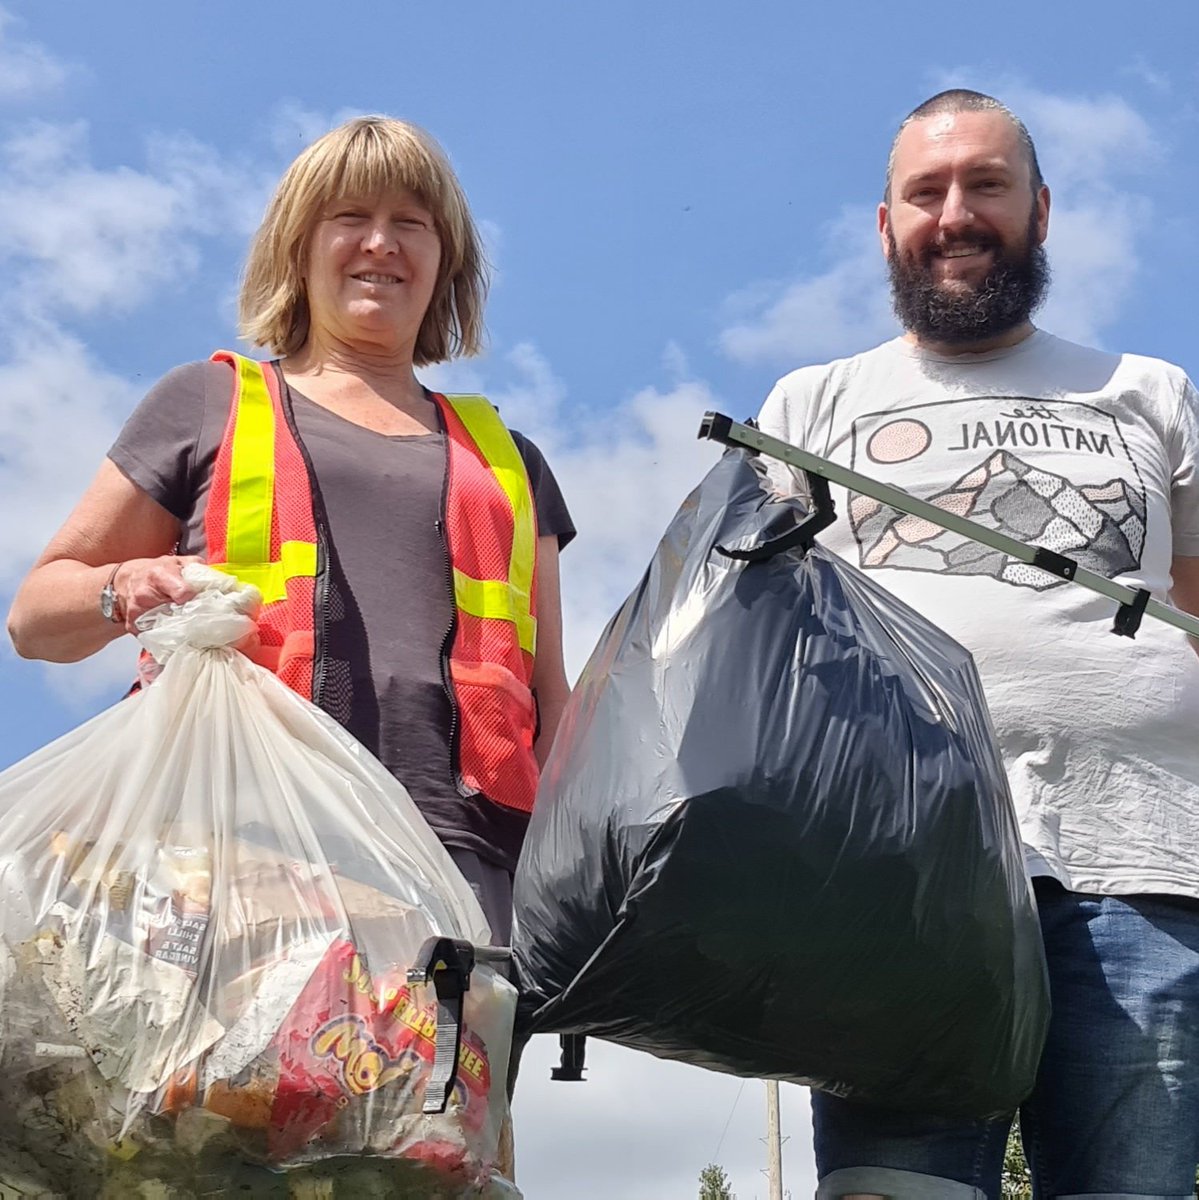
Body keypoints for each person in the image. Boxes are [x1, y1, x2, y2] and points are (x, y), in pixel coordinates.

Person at [757, 89, 1199, 1200]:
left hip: (1140, 868)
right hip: (894, 884)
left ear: (1040, 210)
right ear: (886, 224)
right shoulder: (810, 404)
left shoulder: (1150, 393)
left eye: (986, 185)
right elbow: (748, 650)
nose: (954, 214)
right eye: (926, 192)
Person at [6, 115, 574, 947]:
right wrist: (120, 586)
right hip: (235, 837)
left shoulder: (509, 462)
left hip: (467, 862)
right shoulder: (207, 404)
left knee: (443, 1043)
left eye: (410, 222)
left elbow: (551, 699)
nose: (380, 242)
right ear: (297, 248)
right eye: (350, 217)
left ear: (445, 259)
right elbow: (34, 620)